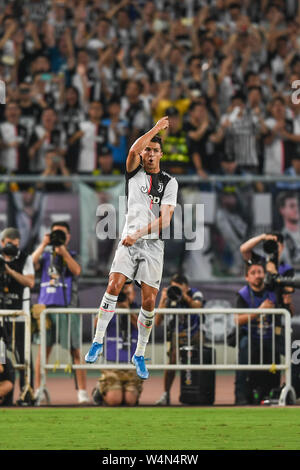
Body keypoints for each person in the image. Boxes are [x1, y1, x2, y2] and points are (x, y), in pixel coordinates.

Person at [85, 116, 178, 381]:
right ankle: (98, 340)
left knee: (149, 301)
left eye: (155, 150)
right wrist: (156, 129)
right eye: (147, 149)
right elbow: (132, 151)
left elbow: (166, 220)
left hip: (151, 245)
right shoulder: (133, 173)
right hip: (128, 240)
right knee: (114, 284)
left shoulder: (170, 182)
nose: (149, 154)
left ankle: (139, 353)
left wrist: (138, 233)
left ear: (161, 155)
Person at [32, 221, 89, 404]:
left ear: (69, 237)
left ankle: (82, 392)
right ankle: (39, 390)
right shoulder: (44, 255)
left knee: (76, 352)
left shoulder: (72, 255)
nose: (58, 237)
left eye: (61, 234)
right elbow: (31, 264)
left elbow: (77, 271)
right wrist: (43, 244)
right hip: (46, 310)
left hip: (67, 308)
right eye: (55, 233)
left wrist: (63, 251)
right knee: (42, 353)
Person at [234, 260, 293, 405]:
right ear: (247, 277)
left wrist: (287, 301)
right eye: (253, 273)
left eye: (260, 272)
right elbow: (237, 320)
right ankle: (240, 394)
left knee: (290, 354)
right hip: (251, 336)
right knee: (244, 348)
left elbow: (289, 313)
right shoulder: (243, 294)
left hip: (271, 335)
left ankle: (284, 390)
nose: (257, 276)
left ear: (264, 274)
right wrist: (260, 311)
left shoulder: (273, 291)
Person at [154, 273, 204, 406]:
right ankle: (166, 394)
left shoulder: (195, 293)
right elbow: (157, 322)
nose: (175, 291)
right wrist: (163, 299)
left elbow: (197, 306)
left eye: (178, 288)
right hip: (175, 335)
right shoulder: (169, 296)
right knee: (171, 364)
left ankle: (197, 394)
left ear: (186, 287)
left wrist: (184, 296)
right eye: (173, 287)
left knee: (196, 364)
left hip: (194, 334)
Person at [92, 283, 143, 407]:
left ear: (134, 294)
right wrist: (110, 305)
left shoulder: (139, 309)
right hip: (112, 365)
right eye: (121, 292)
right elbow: (96, 325)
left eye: (127, 293)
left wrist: (128, 311)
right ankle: (100, 389)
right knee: (115, 400)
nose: (123, 296)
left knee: (130, 401)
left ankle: (129, 391)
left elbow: (143, 328)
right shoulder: (110, 308)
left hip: (131, 366)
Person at [0, 227, 35, 397]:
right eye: (7, 244)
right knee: (1, 354)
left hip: (20, 314)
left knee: (24, 354)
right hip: (1, 315)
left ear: (19, 243)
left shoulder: (25, 258)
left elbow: (30, 282)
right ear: (1, 243)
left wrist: (10, 271)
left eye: (14, 245)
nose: (10, 248)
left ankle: (27, 390)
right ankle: (5, 393)